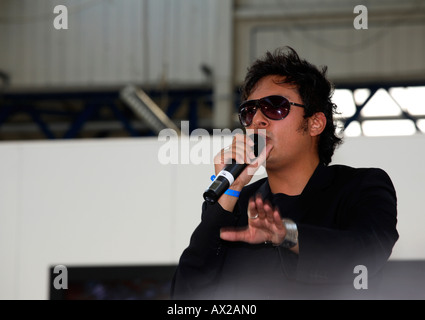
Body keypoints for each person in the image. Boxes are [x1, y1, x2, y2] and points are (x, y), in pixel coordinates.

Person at [171, 46, 399, 300]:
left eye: (274, 106)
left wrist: (287, 235)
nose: (258, 119)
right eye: (249, 111)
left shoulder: (360, 186)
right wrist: (227, 197)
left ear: (315, 123)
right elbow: (186, 296)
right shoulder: (235, 204)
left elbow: (366, 255)